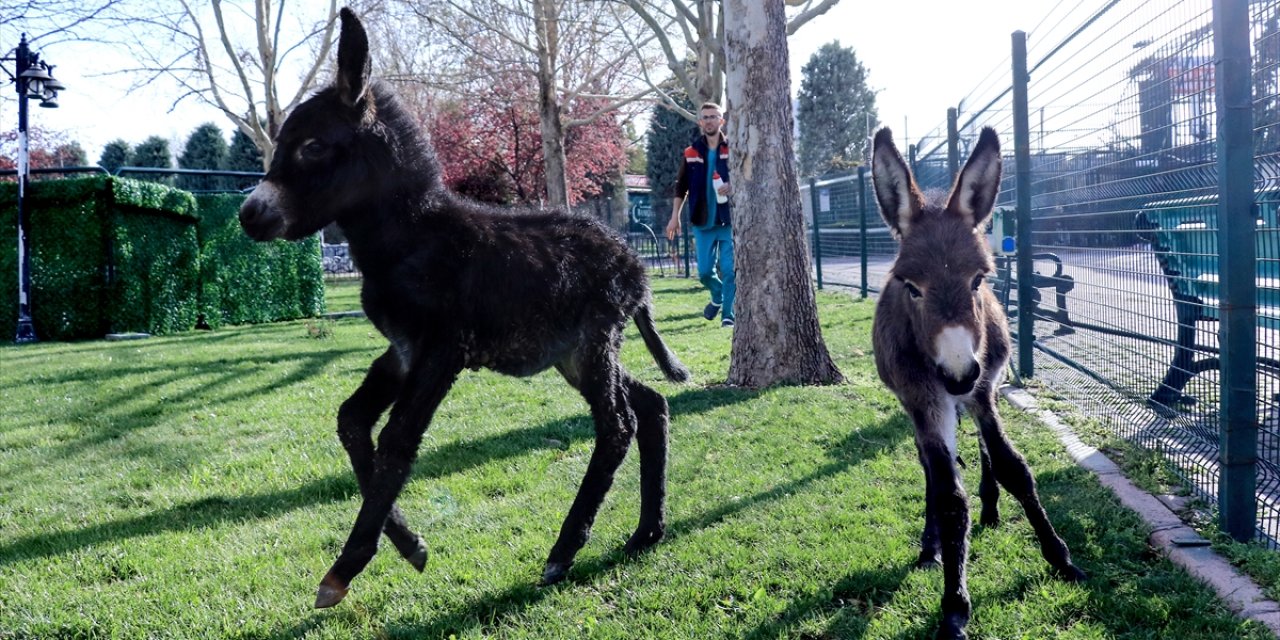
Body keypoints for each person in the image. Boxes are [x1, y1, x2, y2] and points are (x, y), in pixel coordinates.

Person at [666, 101, 735, 328]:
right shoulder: (691, 152)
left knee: (729, 269)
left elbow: (746, 176)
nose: (709, 121)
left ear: (721, 121)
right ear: (700, 122)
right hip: (702, 221)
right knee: (705, 271)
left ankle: (728, 315)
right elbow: (681, 186)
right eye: (705, 117)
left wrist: (732, 186)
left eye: (713, 116)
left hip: (728, 220)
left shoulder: (732, 148)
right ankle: (717, 295)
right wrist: (675, 215)